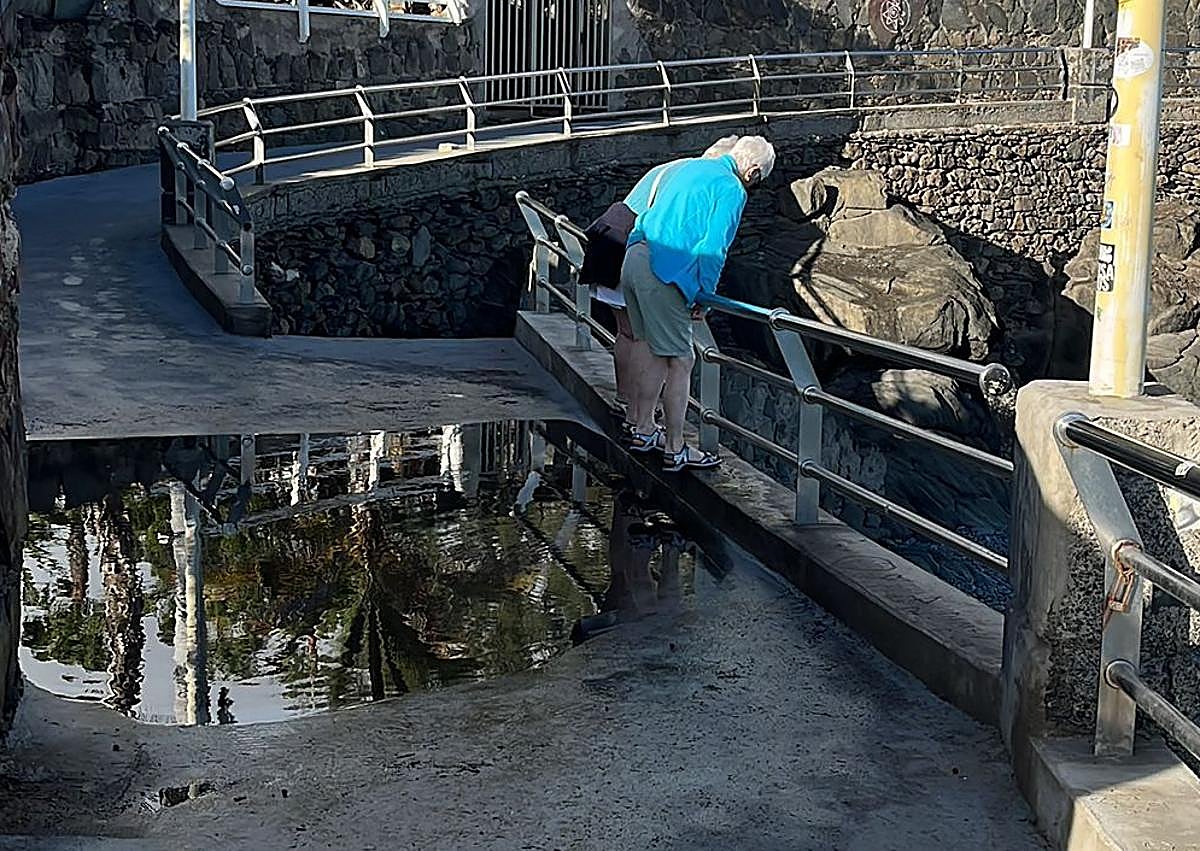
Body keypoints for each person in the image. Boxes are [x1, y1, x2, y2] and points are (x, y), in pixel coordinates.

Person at [622, 135, 776, 472]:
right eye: (759, 181)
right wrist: (703, 295)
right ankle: (675, 449)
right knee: (681, 360)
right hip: (662, 271)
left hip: (634, 257)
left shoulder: (691, 167)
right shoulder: (732, 189)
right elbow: (713, 248)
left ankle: (644, 428)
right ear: (752, 173)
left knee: (651, 349)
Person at [579, 136, 740, 431]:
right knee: (641, 339)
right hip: (633, 244)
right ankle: (640, 415)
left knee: (626, 333)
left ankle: (626, 402)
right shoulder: (703, 177)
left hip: (611, 234)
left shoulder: (677, 167)